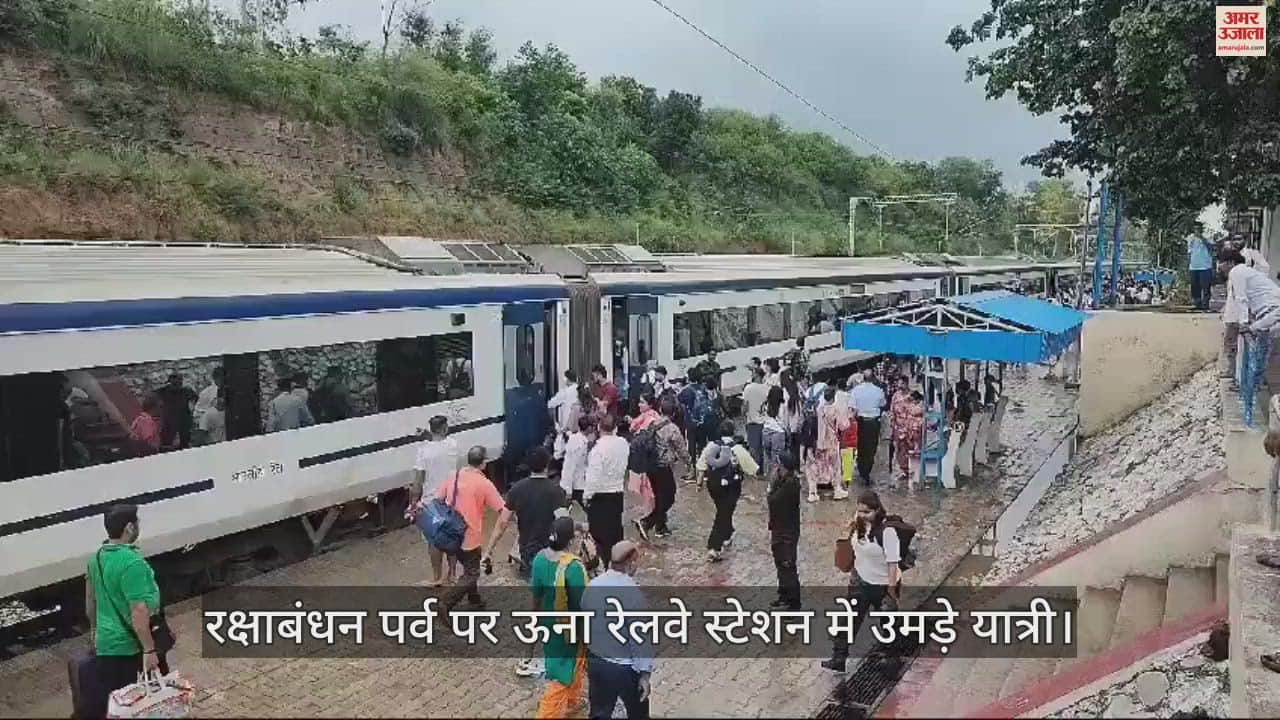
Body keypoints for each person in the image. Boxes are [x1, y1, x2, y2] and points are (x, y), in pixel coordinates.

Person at [86, 505, 170, 719]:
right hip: (130, 649)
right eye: (137, 523)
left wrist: (94, 631)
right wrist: (149, 651)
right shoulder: (132, 563)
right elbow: (138, 611)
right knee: (142, 706)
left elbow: (90, 601)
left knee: (120, 707)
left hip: (106, 645)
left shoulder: (96, 558)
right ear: (129, 528)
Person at [822, 491, 902, 673]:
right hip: (860, 582)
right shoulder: (858, 524)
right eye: (859, 511)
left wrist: (891, 591)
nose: (862, 515)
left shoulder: (887, 532)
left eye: (867, 512)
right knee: (848, 621)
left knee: (888, 623)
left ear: (877, 510)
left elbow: (892, 563)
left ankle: (892, 658)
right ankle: (839, 658)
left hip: (883, 585)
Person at [581, 541, 653, 720]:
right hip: (624, 668)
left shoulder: (593, 585)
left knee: (599, 712)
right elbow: (639, 638)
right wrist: (644, 674)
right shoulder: (633, 594)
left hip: (597, 662)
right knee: (638, 713)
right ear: (630, 562)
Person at [532, 516, 590, 719]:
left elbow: (536, 595)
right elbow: (583, 605)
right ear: (570, 540)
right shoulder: (573, 568)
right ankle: (547, 714)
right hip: (569, 629)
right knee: (560, 674)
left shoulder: (539, 558)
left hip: (548, 623)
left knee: (570, 664)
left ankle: (572, 701)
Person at [437, 446, 505, 612]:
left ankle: (474, 600)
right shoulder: (484, 483)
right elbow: (503, 509)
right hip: (469, 536)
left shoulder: (454, 475)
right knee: (472, 573)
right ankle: (446, 603)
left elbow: (438, 498)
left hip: (450, 533)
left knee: (469, 567)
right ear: (483, 463)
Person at [484, 447, 568, 578]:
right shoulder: (556, 491)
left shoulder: (516, 489)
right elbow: (564, 523)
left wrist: (488, 551)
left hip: (527, 549)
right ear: (547, 466)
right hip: (551, 549)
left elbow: (502, 522)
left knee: (534, 583)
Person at [1219, 248, 1280, 422]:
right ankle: (1251, 396)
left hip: (1273, 311)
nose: (1219, 266)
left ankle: (1249, 409)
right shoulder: (1247, 271)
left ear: (1230, 262)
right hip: (1270, 313)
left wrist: (1245, 323)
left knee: (1256, 355)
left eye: (1221, 262)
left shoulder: (1237, 272)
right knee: (1258, 354)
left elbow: (1241, 298)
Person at [697, 420, 759, 562]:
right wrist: (754, 490)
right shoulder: (738, 449)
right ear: (733, 432)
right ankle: (714, 547)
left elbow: (701, 465)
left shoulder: (711, 446)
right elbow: (752, 469)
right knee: (723, 514)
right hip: (731, 487)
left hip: (713, 486)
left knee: (723, 510)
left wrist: (699, 484)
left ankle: (727, 533)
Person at [410, 416, 460, 586]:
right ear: (445, 428)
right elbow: (441, 440)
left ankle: (437, 577)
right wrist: (428, 435)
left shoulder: (422, 451)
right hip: (451, 499)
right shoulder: (453, 445)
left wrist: (413, 504)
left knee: (434, 540)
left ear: (431, 429)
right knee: (451, 536)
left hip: (431, 502)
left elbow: (417, 483)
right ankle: (452, 574)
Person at [634, 396, 690, 540]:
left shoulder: (652, 424)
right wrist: (689, 464)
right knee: (669, 497)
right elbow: (682, 449)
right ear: (674, 413)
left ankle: (660, 527)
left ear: (660, 410)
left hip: (650, 466)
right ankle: (647, 522)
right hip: (663, 467)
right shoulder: (672, 429)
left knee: (660, 497)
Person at [584, 414, 629, 570]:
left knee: (599, 538)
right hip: (617, 495)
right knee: (616, 533)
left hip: (599, 497)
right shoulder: (623, 444)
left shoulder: (597, 450)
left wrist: (586, 496)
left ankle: (603, 570)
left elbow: (592, 477)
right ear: (616, 428)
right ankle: (617, 566)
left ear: (598, 428)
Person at [767, 452, 802, 610]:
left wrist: (771, 488)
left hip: (787, 532)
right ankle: (783, 595)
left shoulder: (791, 485)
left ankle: (793, 602)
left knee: (787, 565)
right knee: (780, 564)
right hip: (778, 528)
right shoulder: (783, 481)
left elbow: (774, 501)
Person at [807, 385, 847, 503]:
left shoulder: (819, 409)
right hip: (832, 442)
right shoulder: (835, 409)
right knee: (835, 466)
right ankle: (837, 490)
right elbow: (843, 425)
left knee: (816, 466)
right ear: (833, 397)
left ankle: (812, 492)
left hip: (819, 442)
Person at [851, 373, 887, 486]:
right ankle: (867, 469)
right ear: (872, 378)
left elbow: (853, 408)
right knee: (872, 447)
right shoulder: (878, 390)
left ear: (863, 378)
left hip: (861, 422)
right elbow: (883, 404)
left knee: (861, 446)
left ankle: (863, 470)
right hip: (874, 422)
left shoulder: (856, 390)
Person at [561, 416, 595, 510]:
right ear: (589, 428)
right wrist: (568, 489)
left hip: (578, 482)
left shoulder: (578, 439)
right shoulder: (579, 444)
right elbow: (570, 466)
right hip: (576, 484)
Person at [892, 390, 925, 487]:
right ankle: (907, 470)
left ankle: (910, 470)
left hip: (911, 433)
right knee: (903, 450)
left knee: (908, 451)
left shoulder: (917, 410)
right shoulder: (912, 409)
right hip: (907, 431)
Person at [156, 373, 197, 450]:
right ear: (171, 380)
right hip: (168, 423)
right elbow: (153, 398)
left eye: (180, 380)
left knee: (184, 445)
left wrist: (192, 412)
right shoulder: (163, 391)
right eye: (176, 380)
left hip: (183, 423)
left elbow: (196, 400)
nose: (178, 382)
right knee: (167, 445)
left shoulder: (186, 391)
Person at [547, 370, 580, 460]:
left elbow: (550, 404)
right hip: (580, 426)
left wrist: (555, 422)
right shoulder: (580, 390)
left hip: (566, 427)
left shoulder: (565, 392)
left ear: (567, 380)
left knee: (560, 451)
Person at [741, 368, 770, 468]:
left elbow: (745, 405)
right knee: (762, 447)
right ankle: (762, 468)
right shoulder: (766, 387)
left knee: (754, 447)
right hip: (764, 420)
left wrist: (743, 416)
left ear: (756, 375)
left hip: (752, 420)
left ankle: (755, 469)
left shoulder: (749, 388)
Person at [761, 386, 789, 478]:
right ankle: (775, 480)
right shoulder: (782, 406)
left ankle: (768, 477)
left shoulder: (765, 405)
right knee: (777, 460)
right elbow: (785, 422)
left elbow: (762, 417)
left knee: (767, 458)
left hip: (765, 431)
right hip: (778, 432)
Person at [1188, 234, 1215, 310]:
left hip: (1205, 266)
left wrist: (1202, 238)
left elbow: (1211, 248)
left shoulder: (1208, 236)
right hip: (1194, 267)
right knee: (1195, 287)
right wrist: (1189, 264)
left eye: (1198, 228)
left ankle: (1206, 304)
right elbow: (1189, 252)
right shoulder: (1191, 238)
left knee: (1206, 287)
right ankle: (1197, 304)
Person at [192, 365, 222, 430]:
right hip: (213, 430)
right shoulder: (206, 393)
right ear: (215, 378)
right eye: (221, 377)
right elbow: (197, 415)